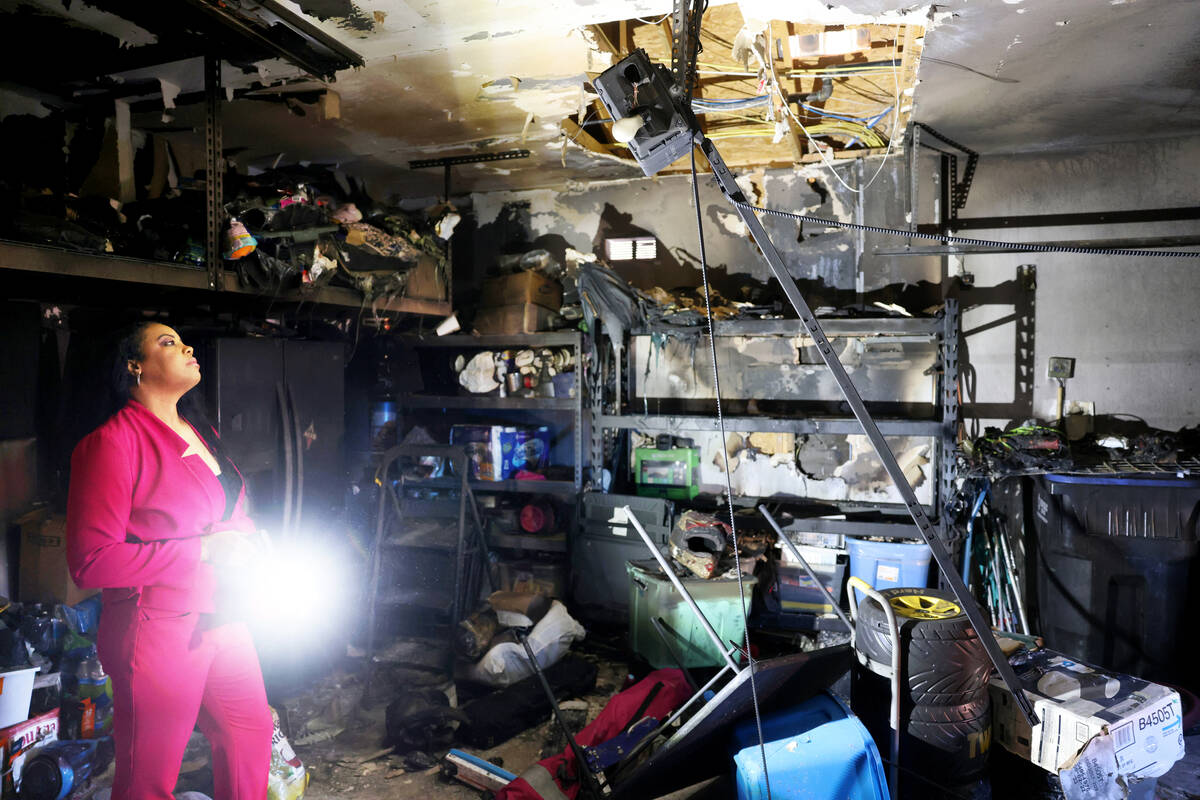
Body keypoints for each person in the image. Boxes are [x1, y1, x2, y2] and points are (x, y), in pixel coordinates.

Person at [66, 321, 273, 799]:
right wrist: (202, 551)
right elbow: (91, 561)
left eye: (182, 340)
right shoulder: (112, 443)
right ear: (134, 366)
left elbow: (221, 513)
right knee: (148, 777)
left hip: (223, 614)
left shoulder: (200, 431)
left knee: (250, 736)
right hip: (155, 628)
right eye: (168, 343)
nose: (187, 347)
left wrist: (247, 541)